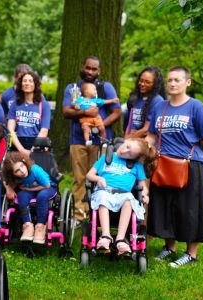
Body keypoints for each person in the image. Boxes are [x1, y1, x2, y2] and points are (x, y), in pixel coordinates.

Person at [146, 66, 203, 268]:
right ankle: (169, 247)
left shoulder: (196, 107)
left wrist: (193, 152)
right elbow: (152, 134)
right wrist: (147, 146)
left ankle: (191, 254)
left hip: (189, 165)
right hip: (163, 165)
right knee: (166, 207)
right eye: (170, 80)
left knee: (190, 210)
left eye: (177, 80)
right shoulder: (161, 107)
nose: (173, 83)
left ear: (188, 82)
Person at [62, 56, 121, 221]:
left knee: (100, 178)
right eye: (87, 68)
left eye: (94, 69)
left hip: (100, 142)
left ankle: (98, 216)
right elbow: (66, 111)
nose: (90, 72)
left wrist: (98, 126)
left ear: (99, 71)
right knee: (79, 178)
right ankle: (79, 215)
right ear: (82, 67)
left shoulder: (105, 88)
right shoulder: (73, 88)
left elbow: (116, 112)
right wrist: (85, 113)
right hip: (77, 141)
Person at [85, 138, 151, 255]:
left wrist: (145, 195)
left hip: (123, 194)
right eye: (127, 146)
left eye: (130, 154)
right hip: (105, 191)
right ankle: (106, 236)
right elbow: (89, 175)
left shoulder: (137, 166)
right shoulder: (106, 158)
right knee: (103, 197)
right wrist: (99, 178)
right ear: (126, 140)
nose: (124, 151)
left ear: (134, 158)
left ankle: (120, 239)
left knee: (129, 200)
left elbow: (143, 186)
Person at [2, 151, 57, 244]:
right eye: (17, 171)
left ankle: (40, 227)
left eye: (22, 166)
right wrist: (9, 189)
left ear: (24, 162)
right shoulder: (16, 178)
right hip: (31, 190)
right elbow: (6, 181)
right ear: (12, 174)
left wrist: (28, 189)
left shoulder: (34, 170)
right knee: (21, 195)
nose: (22, 171)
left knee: (41, 196)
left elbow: (47, 185)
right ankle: (28, 225)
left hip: (48, 187)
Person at [7, 70, 51, 157]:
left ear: (35, 84)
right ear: (21, 84)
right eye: (25, 81)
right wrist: (21, 150)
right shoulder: (15, 104)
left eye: (30, 81)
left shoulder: (44, 105)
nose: (27, 83)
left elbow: (44, 130)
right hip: (18, 144)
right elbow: (10, 128)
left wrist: (32, 150)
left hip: (37, 144)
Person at [71, 82, 120, 146]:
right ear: (86, 91)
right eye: (94, 89)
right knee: (86, 129)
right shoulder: (80, 100)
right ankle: (87, 141)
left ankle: (103, 140)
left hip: (96, 118)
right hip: (85, 119)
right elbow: (74, 104)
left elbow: (104, 101)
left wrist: (112, 100)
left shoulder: (95, 100)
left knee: (102, 128)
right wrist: (76, 107)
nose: (95, 91)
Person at [124, 66, 166, 138]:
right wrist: (125, 138)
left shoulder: (157, 100)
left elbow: (146, 130)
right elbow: (129, 124)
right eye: (141, 80)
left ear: (155, 84)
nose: (142, 84)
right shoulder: (135, 98)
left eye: (147, 82)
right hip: (131, 140)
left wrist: (129, 139)